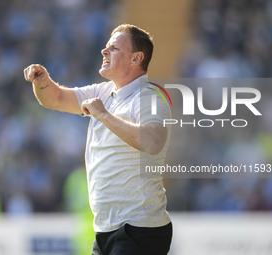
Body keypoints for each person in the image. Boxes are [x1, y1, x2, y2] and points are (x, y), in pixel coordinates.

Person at [24, 24, 172, 255]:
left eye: (113, 48)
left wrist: (103, 115)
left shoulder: (149, 96)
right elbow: (55, 98)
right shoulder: (103, 92)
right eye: (106, 47)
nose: (104, 51)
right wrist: (42, 81)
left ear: (136, 58)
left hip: (139, 228)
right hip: (107, 230)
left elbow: (153, 142)